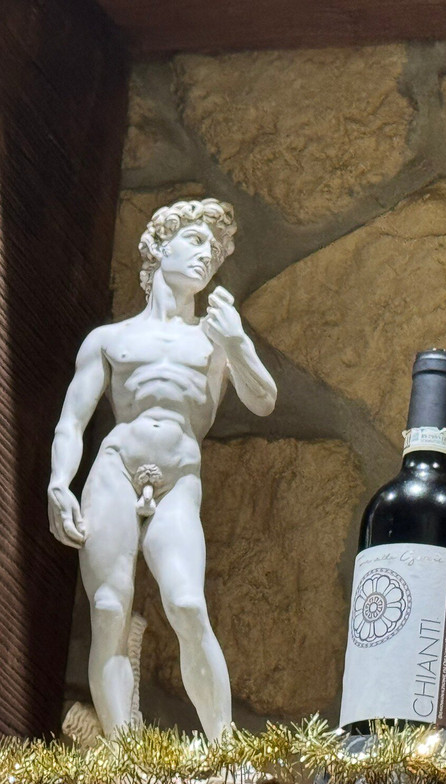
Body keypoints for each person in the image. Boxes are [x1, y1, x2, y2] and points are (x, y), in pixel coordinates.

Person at [48, 199, 277, 740]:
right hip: (116, 468)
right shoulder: (111, 339)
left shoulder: (214, 338)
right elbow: (71, 422)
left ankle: (225, 753)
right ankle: (122, 757)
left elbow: (264, 399)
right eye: (196, 241)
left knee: (187, 603)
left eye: (215, 252)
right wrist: (59, 484)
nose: (207, 256)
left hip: (178, 477)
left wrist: (237, 341)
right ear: (157, 245)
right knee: (109, 608)